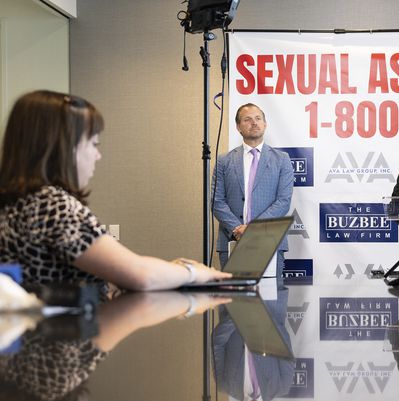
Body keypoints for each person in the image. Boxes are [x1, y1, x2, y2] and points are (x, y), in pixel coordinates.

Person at [0, 91, 230, 295]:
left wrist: (170, 271)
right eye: (93, 143)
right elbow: (140, 275)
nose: (97, 156)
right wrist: (193, 272)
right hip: (60, 341)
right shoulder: (52, 205)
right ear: (62, 147)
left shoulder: (16, 203)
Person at [212, 103, 294, 269]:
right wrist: (237, 229)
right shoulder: (223, 161)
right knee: (232, 294)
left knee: (272, 294)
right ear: (238, 127)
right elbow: (216, 201)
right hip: (231, 239)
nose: (254, 123)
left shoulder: (282, 159)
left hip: (269, 240)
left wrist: (252, 230)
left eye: (258, 118)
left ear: (265, 124)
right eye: (247, 119)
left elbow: (283, 201)